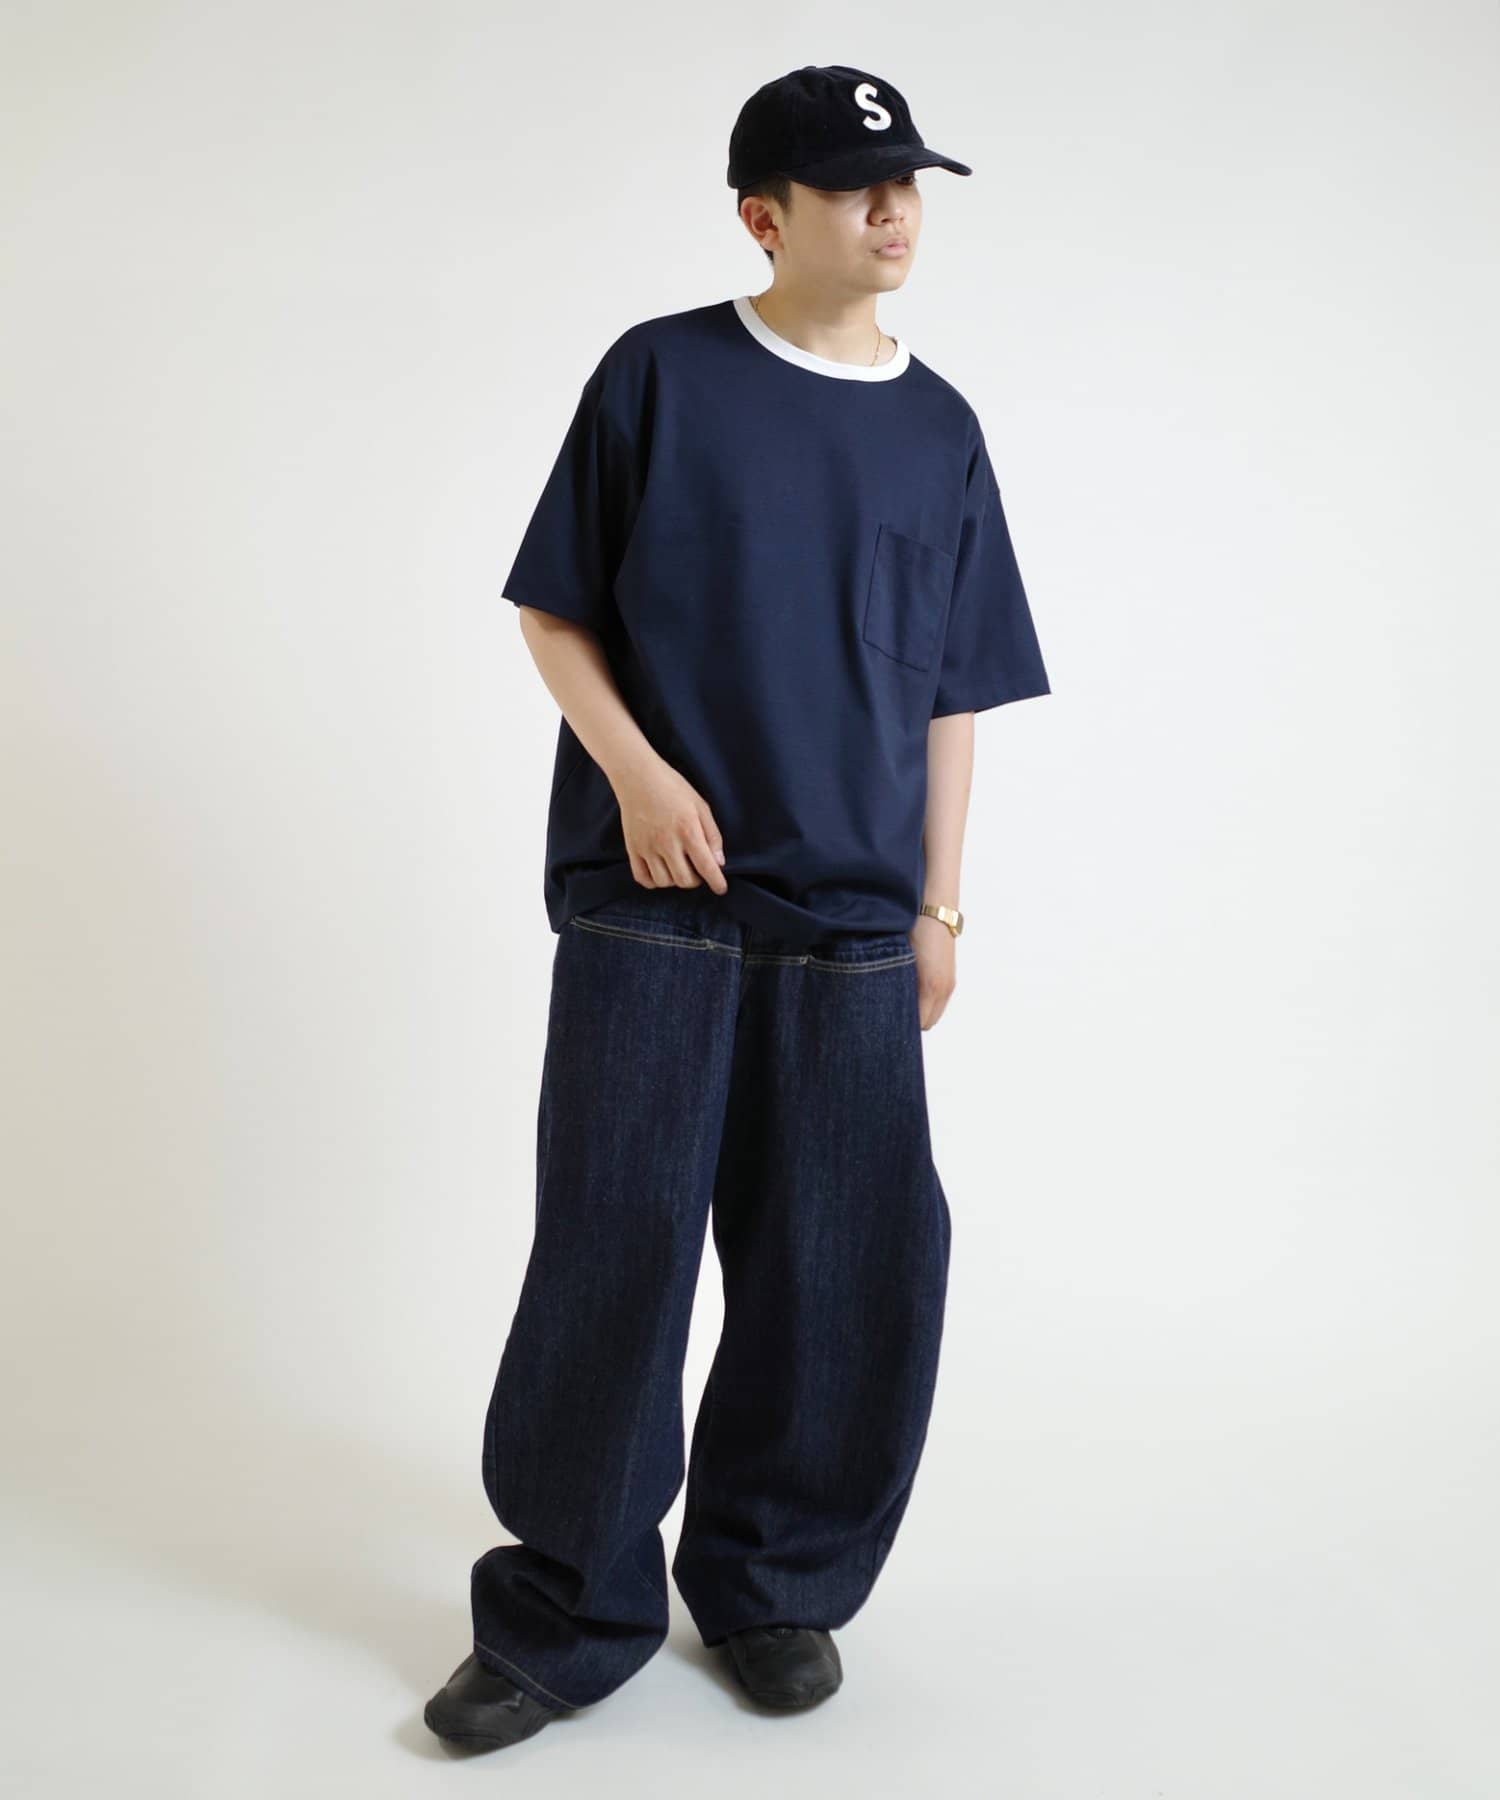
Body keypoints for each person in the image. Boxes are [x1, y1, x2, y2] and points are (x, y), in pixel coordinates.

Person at [424, 62, 1051, 1753]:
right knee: (615, 1256)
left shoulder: (941, 431)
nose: (893, 210)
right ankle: (569, 1609)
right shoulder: (661, 377)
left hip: (852, 923)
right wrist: (637, 777)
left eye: (906, 183)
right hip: (658, 904)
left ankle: (773, 1583)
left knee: (850, 1263)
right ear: (764, 216)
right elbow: (555, 611)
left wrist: (940, 909)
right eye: (853, 188)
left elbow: (953, 693)